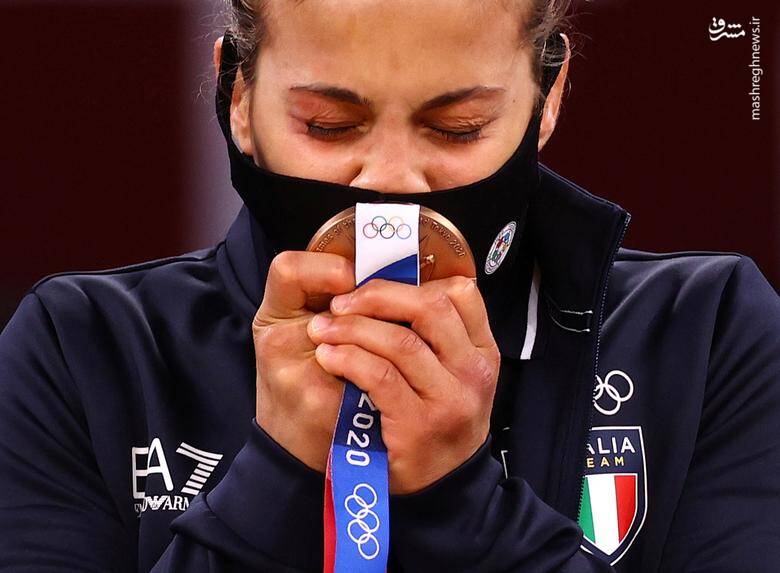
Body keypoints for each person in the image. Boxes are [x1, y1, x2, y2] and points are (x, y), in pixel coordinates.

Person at [1, 0, 778, 571]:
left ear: (549, 94)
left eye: (458, 127)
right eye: (329, 125)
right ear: (238, 96)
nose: (394, 183)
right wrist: (276, 478)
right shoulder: (81, 351)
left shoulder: (708, 335)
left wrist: (463, 501)